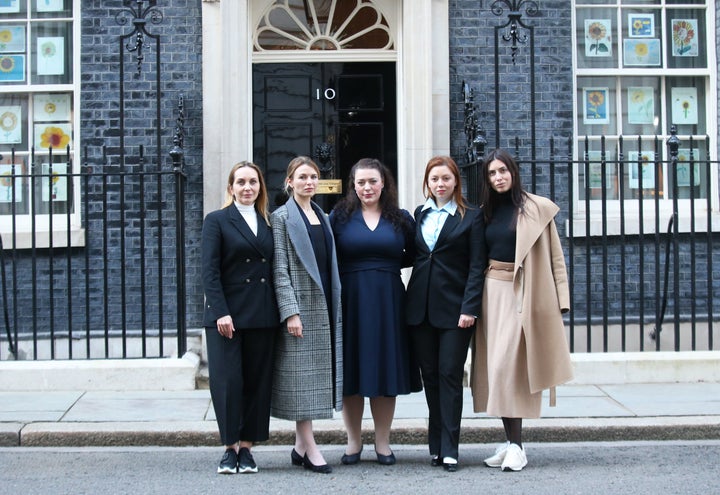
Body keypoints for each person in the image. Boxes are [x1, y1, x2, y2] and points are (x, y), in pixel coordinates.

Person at [471, 148, 574, 472]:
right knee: (495, 371)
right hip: (492, 292)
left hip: (524, 292)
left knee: (509, 368)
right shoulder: (484, 212)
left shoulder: (536, 209)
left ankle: (517, 446)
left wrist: (562, 299)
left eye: (503, 171)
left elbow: (556, 258)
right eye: (492, 173)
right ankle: (510, 441)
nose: (498, 177)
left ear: (513, 173)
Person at [329, 158, 421, 466]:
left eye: (372, 181)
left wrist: (386, 267)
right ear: (353, 186)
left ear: (384, 184)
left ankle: (383, 443)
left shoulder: (401, 219)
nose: (367, 187)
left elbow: (416, 254)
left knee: (384, 372)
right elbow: (328, 257)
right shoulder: (339, 217)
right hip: (351, 300)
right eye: (361, 182)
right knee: (351, 371)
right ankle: (353, 442)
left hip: (388, 301)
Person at [405, 155, 484, 472]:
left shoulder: (472, 216)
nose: (440, 184)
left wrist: (470, 307)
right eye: (434, 179)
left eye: (446, 179)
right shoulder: (419, 214)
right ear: (427, 182)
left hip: (456, 312)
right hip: (420, 310)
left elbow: (477, 266)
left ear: (456, 182)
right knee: (431, 377)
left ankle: (451, 448)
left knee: (450, 375)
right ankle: (436, 446)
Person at [201, 161, 280, 474]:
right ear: (231, 187)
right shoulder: (217, 220)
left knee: (257, 384)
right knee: (227, 382)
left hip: (262, 314)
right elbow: (209, 271)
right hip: (227, 315)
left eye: (254, 182)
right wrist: (220, 311)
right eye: (242, 182)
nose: (248, 188)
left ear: (260, 187)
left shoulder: (269, 222)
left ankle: (247, 447)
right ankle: (229, 447)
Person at [271, 156, 343, 475]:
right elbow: (280, 269)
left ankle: (300, 447)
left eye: (313, 176)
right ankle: (311, 447)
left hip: (325, 303)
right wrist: (290, 312)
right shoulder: (281, 217)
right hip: (301, 307)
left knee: (314, 378)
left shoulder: (323, 215)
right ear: (290, 182)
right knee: (304, 380)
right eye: (302, 177)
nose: (309, 182)